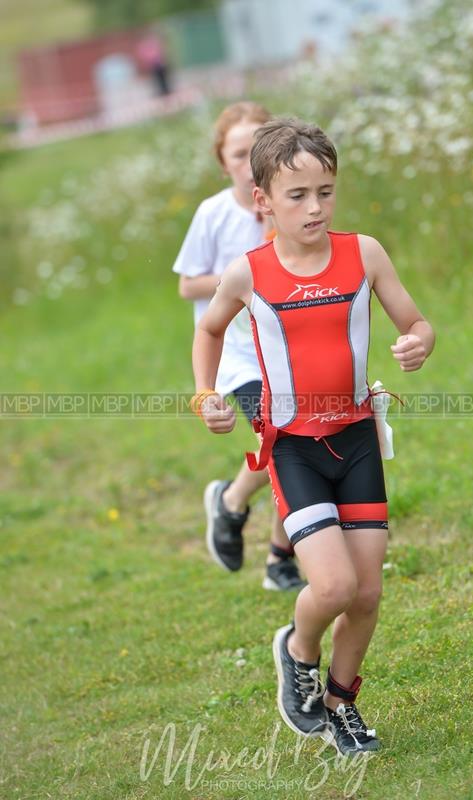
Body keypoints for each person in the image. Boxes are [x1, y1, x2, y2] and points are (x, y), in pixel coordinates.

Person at [191, 118, 435, 755]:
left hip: (356, 439)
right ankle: (297, 650)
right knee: (332, 588)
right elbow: (209, 329)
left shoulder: (366, 253)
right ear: (261, 200)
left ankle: (340, 703)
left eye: (325, 191)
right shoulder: (248, 272)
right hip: (294, 446)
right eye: (297, 195)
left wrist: (417, 343)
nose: (315, 207)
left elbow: (415, 320)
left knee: (369, 593)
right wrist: (206, 393)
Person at [173, 103, 306, 592]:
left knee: (300, 442)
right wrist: (239, 278)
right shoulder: (214, 213)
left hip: (289, 348)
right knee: (285, 441)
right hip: (237, 355)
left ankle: (274, 553)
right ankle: (237, 510)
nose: (248, 161)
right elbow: (188, 285)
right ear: (222, 160)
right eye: (237, 153)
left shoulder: (290, 202)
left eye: (258, 150)